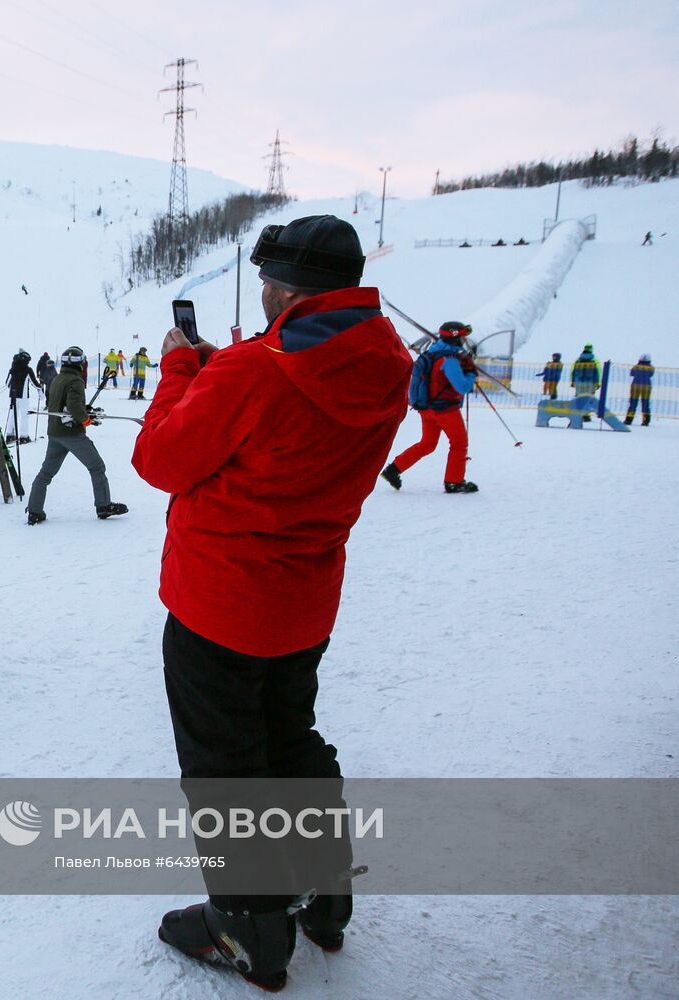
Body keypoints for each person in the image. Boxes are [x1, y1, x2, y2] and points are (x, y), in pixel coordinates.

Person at [134, 215, 410, 990]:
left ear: (284, 287)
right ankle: (326, 894)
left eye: (266, 282)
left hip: (219, 599)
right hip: (305, 598)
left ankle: (250, 927)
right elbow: (292, 403)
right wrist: (224, 372)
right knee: (291, 737)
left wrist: (183, 370)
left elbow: (160, 457)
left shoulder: (253, 369)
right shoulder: (384, 357)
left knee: (225, 765)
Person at [24, 345, 127, 525]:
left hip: (55, 434)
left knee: (46, 472)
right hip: (71, 435)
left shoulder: (57, 379)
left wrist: (84, 411)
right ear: (80, 364)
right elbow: (73, 406)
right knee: (96, 466)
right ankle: (103, 506)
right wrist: (85, 419)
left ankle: (34, 510)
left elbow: (62, 404)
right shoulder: (76, 381)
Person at [381, 321, 480, 494]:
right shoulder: (449, 359)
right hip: (445, 409)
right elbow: (462, 386)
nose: (464, 341)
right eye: (463, 337)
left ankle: (393, 469)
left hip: (426, 409)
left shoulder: (432, 353)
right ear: (456, 339)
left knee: (427, 443)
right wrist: (471, 372)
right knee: (459, 443)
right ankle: (454, 482)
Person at [5, 349, 40, 444]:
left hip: (12, 396)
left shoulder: (12, 369)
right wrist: (40, 389)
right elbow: (34, 382)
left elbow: (7, 383)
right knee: (24, 415)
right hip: (24, 396)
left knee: (12, 415)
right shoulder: (28, 370)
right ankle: (24, 436)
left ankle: (9, 435)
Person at [625, 354, 655, 426]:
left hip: (635, 387)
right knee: (645, 404)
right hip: (646, 387)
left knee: (633, 404)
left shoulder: (636, 367)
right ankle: (645, 421)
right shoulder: (651, 368)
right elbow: (651, 374)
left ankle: (628, 420)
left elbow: (631, 373)